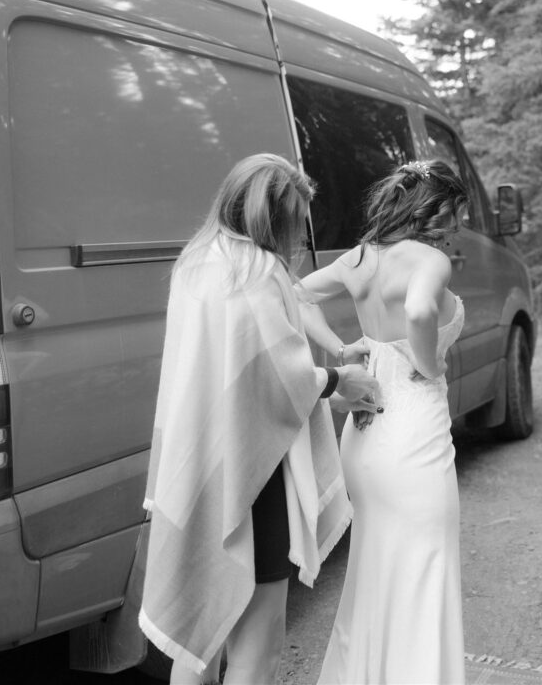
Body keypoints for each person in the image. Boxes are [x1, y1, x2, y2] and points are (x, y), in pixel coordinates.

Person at [138, 153, 380, 685]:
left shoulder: (197, 260)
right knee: (259, 641)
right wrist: (342, 381)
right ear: (278, 219)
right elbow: (284, 378)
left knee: (199, 641)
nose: (297, 240)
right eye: (296, 224)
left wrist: (333, 354)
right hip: (257, 469)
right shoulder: (259, 270)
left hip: (198, 462)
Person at [297, 158, 470, 685]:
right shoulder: (430, 261)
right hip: (413, 434)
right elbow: (420, 312)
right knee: (423, 570)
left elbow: (297, 293)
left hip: (366, 435)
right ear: (433, 208)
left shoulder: (359, 259)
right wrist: (428, 362)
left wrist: (341, 348)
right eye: (456, 211)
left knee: (376, 568)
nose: (458, 225)